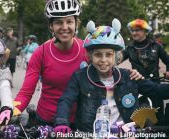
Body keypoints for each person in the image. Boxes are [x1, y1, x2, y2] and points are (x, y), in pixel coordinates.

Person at [13, 0, 143, 129]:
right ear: (51, 26)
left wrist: (132, 75)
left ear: (76, 24)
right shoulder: (40, 53)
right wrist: (10, 111)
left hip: (82, 122)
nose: (64, 27)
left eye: (69, 21)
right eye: (59, 22)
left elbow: (108, 71)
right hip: (47, 122)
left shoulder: (89, 49)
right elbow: (26, 92)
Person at [54, 19, 169, 134]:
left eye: (109, 54)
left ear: (116, 56)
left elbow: (156, 90)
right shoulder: (80, 77)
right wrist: (61, 122)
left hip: (125, 134)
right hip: (91, 134)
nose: (103, 60)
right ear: (90, 56)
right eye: (98, 54)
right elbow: (66, 100)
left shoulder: (128, 76)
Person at [121, 18, 169, 123]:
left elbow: (168, 60)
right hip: (137, 86)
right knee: (139, 117)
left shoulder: (156, 46)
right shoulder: (129, 48)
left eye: (137, 30)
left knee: (158, 116)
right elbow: (117, 60)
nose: (134, 32)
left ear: (144, 31)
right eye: (132, 30)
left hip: (155, 85)